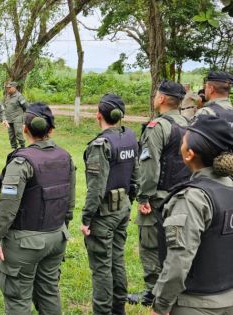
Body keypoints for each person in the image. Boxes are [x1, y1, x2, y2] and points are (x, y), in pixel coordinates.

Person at [0, 103, 75, 315]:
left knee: (18, 298)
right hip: (57, 236)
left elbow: (7, 207)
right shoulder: (65, 156)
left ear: (25, 129)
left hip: (25, 243)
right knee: (49, 292)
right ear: (51, 130)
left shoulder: (21, 161)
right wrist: (61, 228)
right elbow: (69, 202)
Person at [151, 115, 233, 315]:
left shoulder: (191, 199)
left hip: (195, 304)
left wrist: (160, 305)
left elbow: (179, 261)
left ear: (189, 154)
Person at [129, 80, 190, 307]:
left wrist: (144, 197)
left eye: (156, 95)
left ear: (162, 99)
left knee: (150, 245)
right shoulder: (190, 123)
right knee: (178, 244)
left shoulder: (157, 127)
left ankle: (154, 293)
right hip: (184, 194)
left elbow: (149, 166)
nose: (155, 98)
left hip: (159, 197)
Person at [81, 94, 139, 315]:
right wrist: (129, 201)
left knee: (101, 267)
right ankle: (118, 309)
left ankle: (103, 311)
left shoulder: (101, 144)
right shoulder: (130, 137)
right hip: (122, 207)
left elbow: (96, 188)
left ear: (98, 115)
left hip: (104, 213)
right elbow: (136, 176)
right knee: (117, 258)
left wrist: (87, 218)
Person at [4, 82, 27, 149]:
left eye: (9, 88)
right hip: (9, 118)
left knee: (18, 133)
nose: (8, 89)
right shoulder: (8, 96)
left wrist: (24, 120)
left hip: (17, 117)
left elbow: (26, 108)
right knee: (11, 135)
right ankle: (14, 149)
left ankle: (23, 147)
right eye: (7, 88)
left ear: (14, 88)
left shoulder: (19, 96)